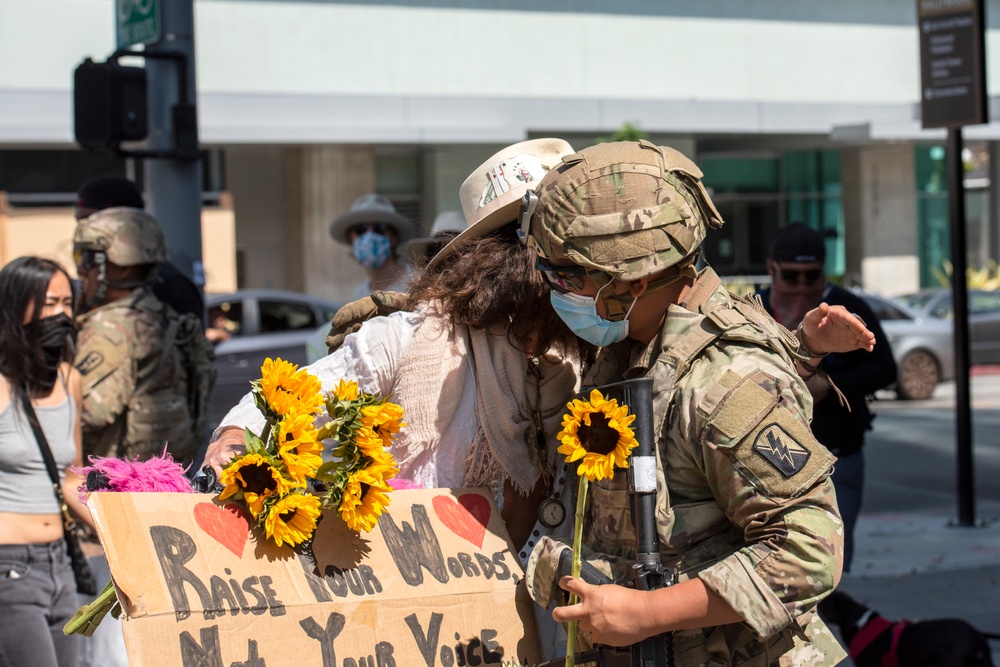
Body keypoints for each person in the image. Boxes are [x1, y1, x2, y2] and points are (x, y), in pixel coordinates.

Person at [520, 140, 847, 665]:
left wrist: (648, 613)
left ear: (634, 279)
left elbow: (809, 550)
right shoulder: (636, 342)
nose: (555, 290)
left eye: (566, 276)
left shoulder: (723, 382)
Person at [759, 222, 897, 573]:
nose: (803, 287)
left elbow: (884, 368)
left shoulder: (846, 306)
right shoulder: (755, 310)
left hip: (837, 453)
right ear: (771, 269)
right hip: (768, 459)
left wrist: (829, 384)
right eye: (792, 277)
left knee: (830, 562)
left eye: (812, 276)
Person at [0, 256, 93, 667]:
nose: (61, 314)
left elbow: (72, 479)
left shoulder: (70, 379)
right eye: (49, 303)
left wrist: (125, 535)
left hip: (63, 565)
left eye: (68, 304)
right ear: (14, 306)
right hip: (9, 568)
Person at [72, 207, 212, 466]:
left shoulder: (112, 326)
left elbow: (85, 413)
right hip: (161, 478)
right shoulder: (164, 316)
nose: (81, 270)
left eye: (87, 258)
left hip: (112, 483)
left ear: (122, 268)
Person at [75, 174, 205, 323]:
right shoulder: (91, 281)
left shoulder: (171, 286)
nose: (82, 231)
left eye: (89, 220)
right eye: (79, 221)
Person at [328, 193, 420, 300]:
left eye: (380, 228)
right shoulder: (359, 295)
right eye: (360, 229)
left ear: (393, 238)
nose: (369, 236)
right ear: (351, 240)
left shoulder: (416, 283)